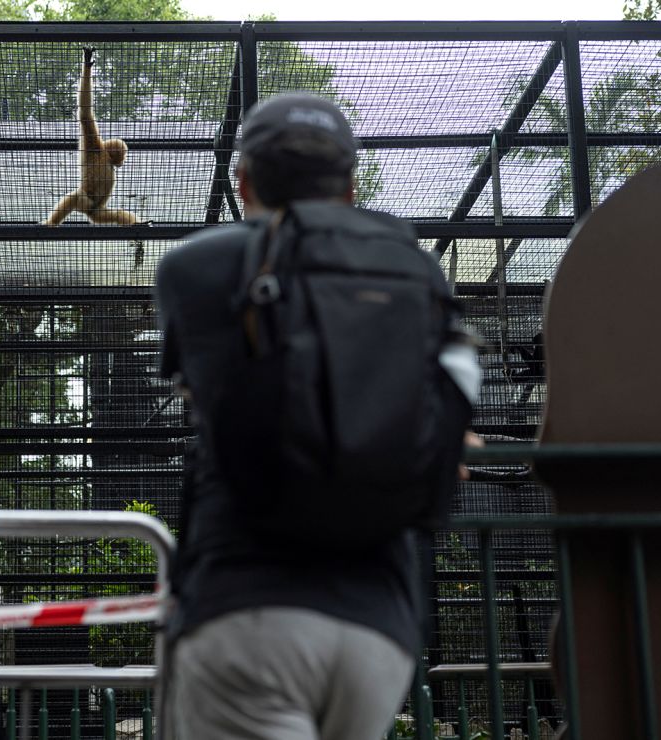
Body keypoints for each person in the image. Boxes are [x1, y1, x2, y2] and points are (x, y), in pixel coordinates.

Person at [155, 93, 481, 740]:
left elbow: (206, 394)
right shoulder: (414, 268)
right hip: (379, 628)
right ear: (352, 185)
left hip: (245, 610)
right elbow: (454, 403)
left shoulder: (194, 267)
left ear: (243, 180)